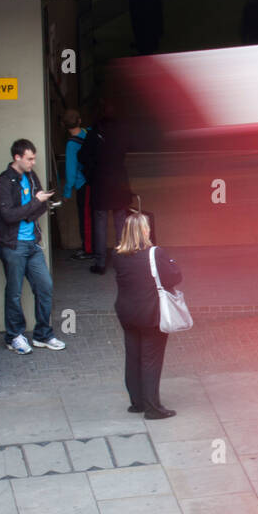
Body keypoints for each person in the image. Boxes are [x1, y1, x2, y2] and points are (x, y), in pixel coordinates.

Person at [0, 140, 66, 354]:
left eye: (34, 158)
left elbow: (41, 206)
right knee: (14, 292)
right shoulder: (4, 182)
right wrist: (33, 204)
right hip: (13, 245)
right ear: (17, 158)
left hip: (32, 244)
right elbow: (8, 216)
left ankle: (43, 335)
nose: (33, 163)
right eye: (30, 159)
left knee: (45, 287)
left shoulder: (31, 177)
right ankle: (14, 336)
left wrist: (31, 207)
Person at [113, 210, 181, 419]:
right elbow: (175, 277)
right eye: (148, 227)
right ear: (144, 230)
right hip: (151, 313)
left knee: (133, 356)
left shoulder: (118, 255)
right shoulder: (155, 253)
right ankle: (153, 408)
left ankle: (137, 402)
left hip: (127, 312)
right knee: (151, 359)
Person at [79, 108, 133, 274]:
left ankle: (100, 263)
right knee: (120, 222)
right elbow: (126, 151)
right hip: (119, 183)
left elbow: (82, 156)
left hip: (100, 184)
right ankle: (122, 261)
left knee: (100, 223)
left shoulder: (94, 134)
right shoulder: (121, 134)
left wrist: (91, 172)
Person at [61, 109, 92, 258]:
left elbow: (71, 172)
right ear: (79, 120)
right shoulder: (89, 133)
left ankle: (88, 249)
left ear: (64, 125)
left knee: (85, 217)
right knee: (94, 216)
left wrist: (66, 193)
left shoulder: (71, 144)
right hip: (96, 182)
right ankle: (93, 246)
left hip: (82, 184)